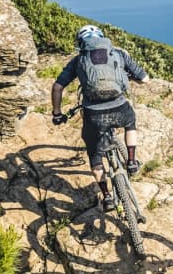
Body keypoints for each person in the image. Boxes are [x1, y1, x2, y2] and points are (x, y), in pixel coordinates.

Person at [52, 25, 150, 211]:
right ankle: (131, 160)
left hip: (93, 114)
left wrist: (57, 114)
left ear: (81, 42)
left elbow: (57, 87)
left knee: (95, 156)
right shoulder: (118, 54)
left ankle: (106, 197)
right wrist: (128, 76)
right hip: (119, 107)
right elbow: (145, 79)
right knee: (130, 123)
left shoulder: (78, 59)